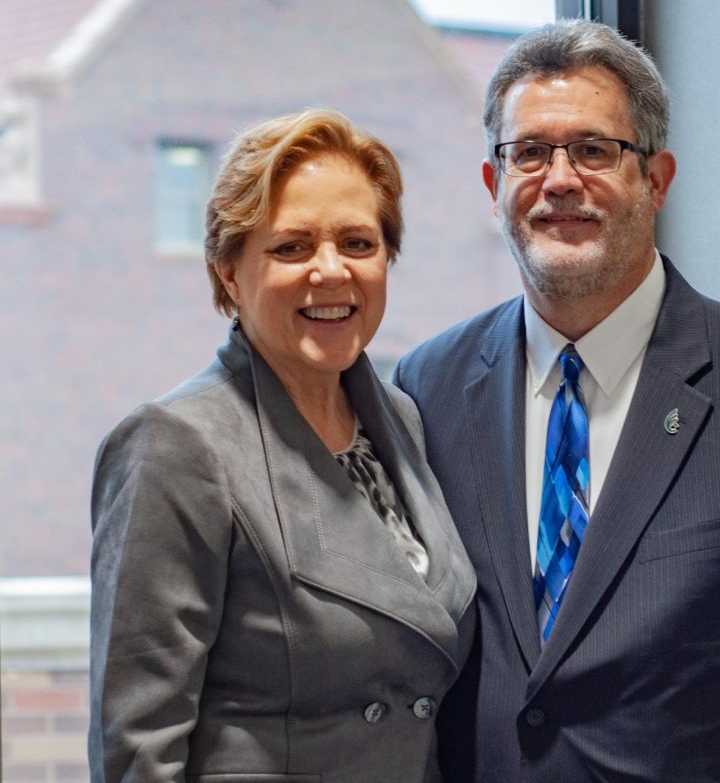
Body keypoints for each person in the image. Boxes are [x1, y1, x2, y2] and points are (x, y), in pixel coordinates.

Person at [394, 19, 720, 782]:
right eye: (529, 153)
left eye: (594, 150)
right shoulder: (426, 389)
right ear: (495, 187)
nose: (559, 180)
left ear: (656, 181)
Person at [89, 108, 476, 782]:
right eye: (291, 248)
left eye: (358, 243)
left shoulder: (403, 422)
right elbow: (137, 750)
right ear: (229, 274)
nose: (330, 272)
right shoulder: (176, 446)